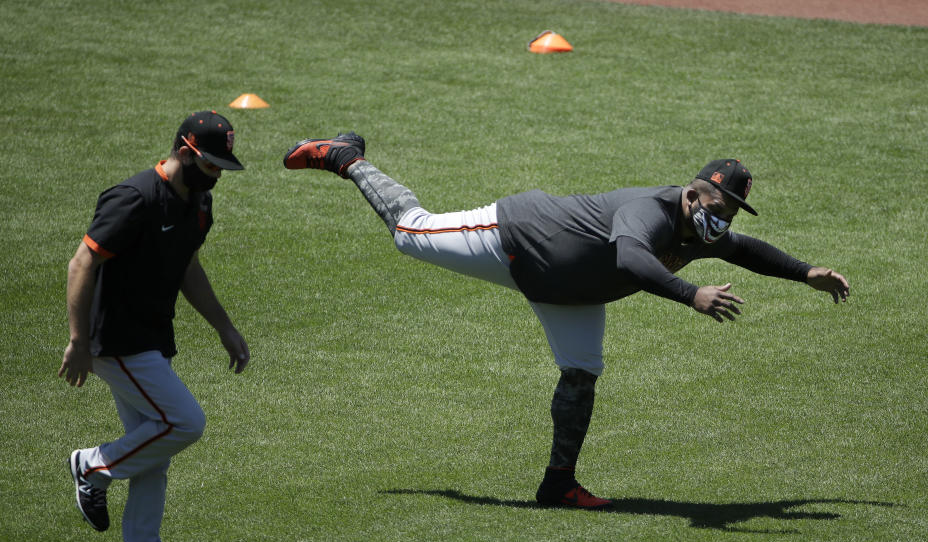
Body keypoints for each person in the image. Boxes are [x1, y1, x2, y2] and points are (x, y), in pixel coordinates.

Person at [282, 133, 849, 509]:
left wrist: (807, 273)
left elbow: (747, 251)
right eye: (721, 210)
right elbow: (631, 259)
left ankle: (558, 484)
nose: (724, 223)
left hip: (570, 290)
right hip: (517, 240)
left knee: (581, 371)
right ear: (695, 193)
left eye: (731, 215)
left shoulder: (702, 231)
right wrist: (690, 295)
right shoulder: (649, 212)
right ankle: (346, 157)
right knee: (411, 232)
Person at [59, 111, 250, 542]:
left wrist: (224, 326)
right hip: (117, 342)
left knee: (152, 456)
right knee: (184, 423)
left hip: (152, 341)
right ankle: (92, 468)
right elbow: (83, 261)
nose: (215, 176)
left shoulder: (198, 205)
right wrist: (78, 341)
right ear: (185, 152)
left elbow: (188, 267)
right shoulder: (135, 199)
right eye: (210, 165)